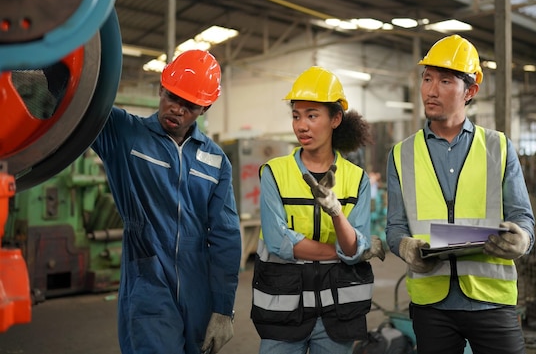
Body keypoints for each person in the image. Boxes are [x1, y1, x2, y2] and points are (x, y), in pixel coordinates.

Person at [385, 35, 535, 354]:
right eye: (427, 79)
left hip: (492, 302)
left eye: (445, 80)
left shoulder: (499, 147)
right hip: (431, 305)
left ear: (470, 91)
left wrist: (522, 238)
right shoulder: (401, 154)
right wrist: (404, 246)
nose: (431, 89)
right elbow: (394, 226)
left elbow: (523, 216)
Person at [91, 50, 241, 354]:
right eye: (173, 97)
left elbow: (226, 236)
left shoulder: (216, 161)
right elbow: (78, 105)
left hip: (199, 284)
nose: (177, 109)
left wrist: (224, 308)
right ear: (161, 88)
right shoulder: (126, 134)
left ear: (205, 108)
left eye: (190, 105)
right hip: (148, 275)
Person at [251, 66, 384, 354]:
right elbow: (278, 241)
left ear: (335, 119)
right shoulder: (274, 173)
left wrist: (337, 213)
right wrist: (348, 252)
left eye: (312, 115)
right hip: (283, 310)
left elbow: (354, 244)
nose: (302, 125)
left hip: (337, 314)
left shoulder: (356, 179)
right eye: (296, 116)